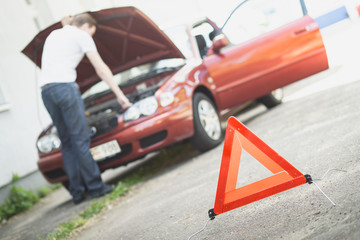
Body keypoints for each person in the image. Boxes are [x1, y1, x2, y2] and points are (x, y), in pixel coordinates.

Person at [40, 13, 131, 204]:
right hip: (65, 87)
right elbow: (101, 68)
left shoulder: (54, 34)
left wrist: (67, 23)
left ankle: (77, 193)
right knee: (80, 140)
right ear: (87, 27)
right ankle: (97, 188)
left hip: (47, 92)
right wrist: (120, 95)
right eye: (92, 33)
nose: (91, 37)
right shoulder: (81, 36)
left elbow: (66, 28)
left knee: (67, 142)